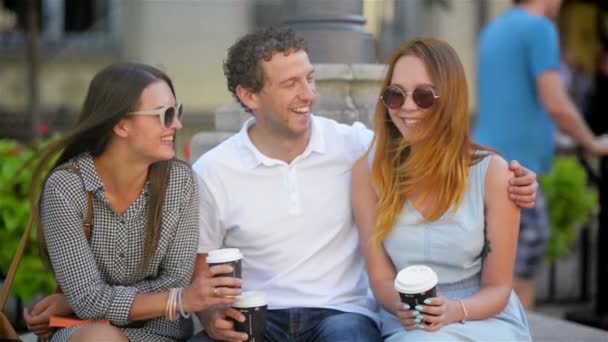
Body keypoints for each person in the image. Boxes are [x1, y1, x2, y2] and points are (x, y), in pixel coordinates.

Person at [190, 27, 538, 342]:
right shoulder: (214, 170)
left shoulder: (352, 146)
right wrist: (209, 315)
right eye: (290, 84)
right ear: (249, 97)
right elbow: (203, 268)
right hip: (265, 313)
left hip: (343, 314)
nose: (309, 95)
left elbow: (433, 148)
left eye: (310, 79)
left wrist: (516, 181)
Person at [23, 62, 241, 342]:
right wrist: (178, 299)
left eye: (178, 112)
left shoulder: (179, 180)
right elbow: (89, 301)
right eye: (165, 115)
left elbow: (176, 280)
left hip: (161, 330)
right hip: (87, 328)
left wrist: (87, 298)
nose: (177, 124)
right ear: (122, 125)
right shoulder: (66, 188)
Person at [352, 37, 531, 341]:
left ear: (449, 99)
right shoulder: (367, 173)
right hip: (406, 320)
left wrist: (453, 310)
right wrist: (406, 307)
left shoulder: (492, 174)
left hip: (482, 316)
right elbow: (381, 278)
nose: (407, 107)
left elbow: (499, 288)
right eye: (395, 95)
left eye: (423, 96)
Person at [473, 0, 608, 309]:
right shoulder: (540, 28)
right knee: (517, 287)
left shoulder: (494, 29)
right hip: (518, 175)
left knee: (486, 280)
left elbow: (510, 99)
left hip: (482, 165)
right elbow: (555, 102)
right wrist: (593, 143)